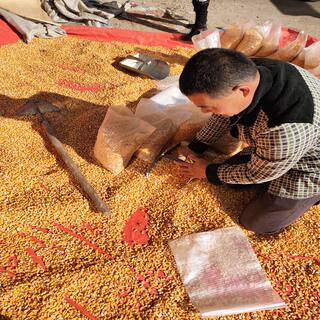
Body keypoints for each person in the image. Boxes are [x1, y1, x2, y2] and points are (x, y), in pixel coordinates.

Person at [177, 48, 320, 235]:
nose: (205, 112)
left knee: (255, 222)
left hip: (310, 167)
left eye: (208, 106)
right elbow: (222, 117)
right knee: (229, 175)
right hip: (286, 147)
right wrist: (196, 147)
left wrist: (207, 171)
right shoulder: (248, 71)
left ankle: (313, 195)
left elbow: (257, 174)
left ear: (243, 91)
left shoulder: (284, 129)